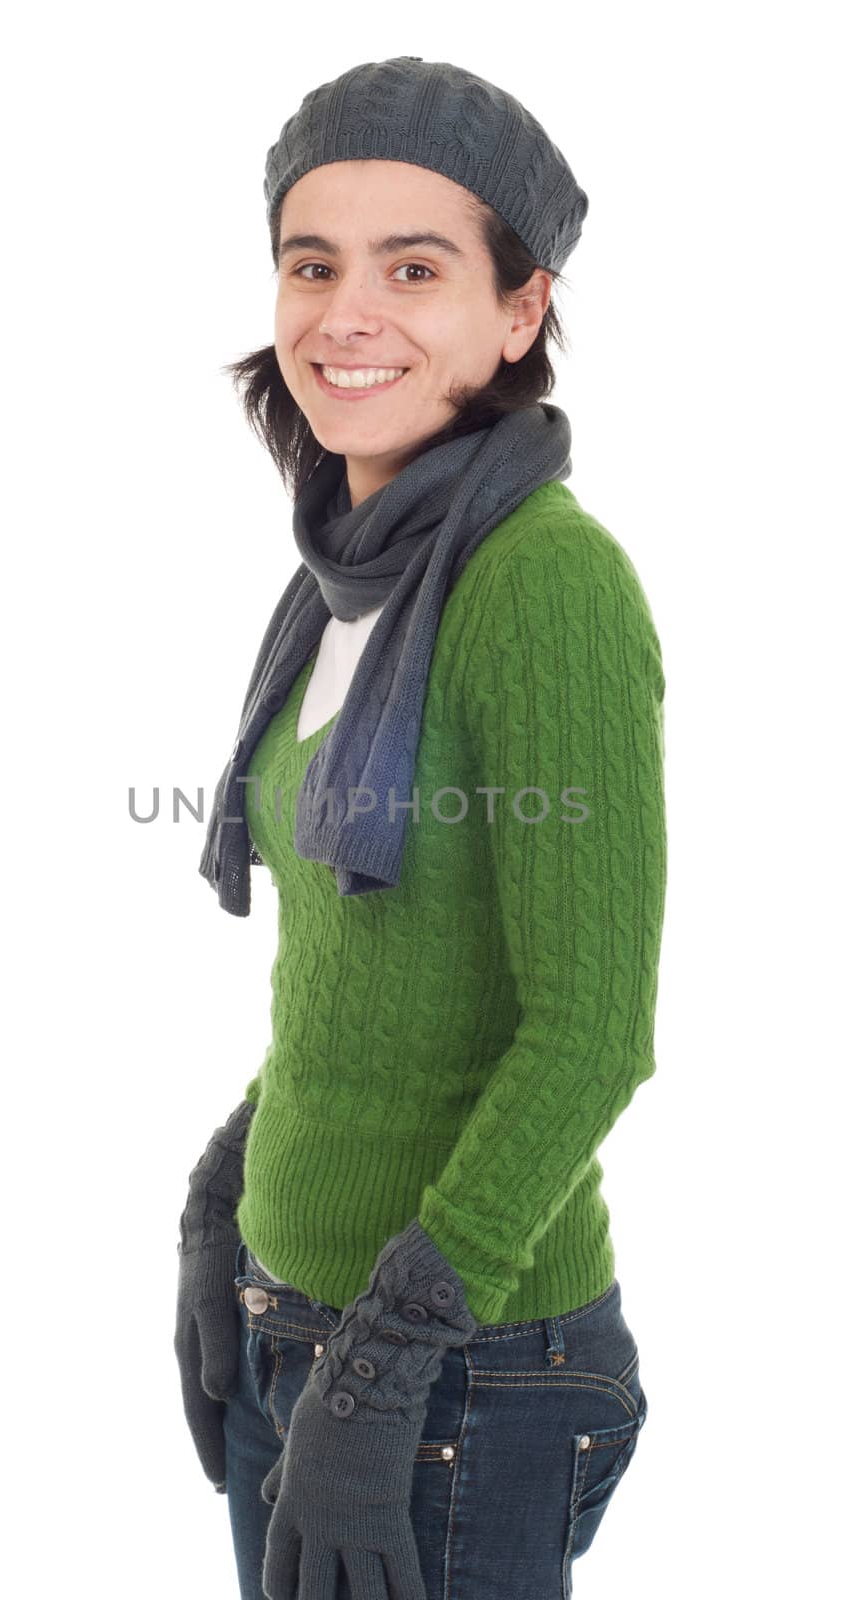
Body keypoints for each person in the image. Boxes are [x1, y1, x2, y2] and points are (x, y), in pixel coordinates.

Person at [174, 55, 667, 1600]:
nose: (347, 313)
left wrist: (382, 1369)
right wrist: (228, 1191)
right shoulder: (351, 581)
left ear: (518, 312)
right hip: (294, 1325)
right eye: (312, 264)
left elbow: (590, 1034)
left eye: (416, 266)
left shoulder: (542, 581)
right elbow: (372, 984)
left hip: (461, 1377)